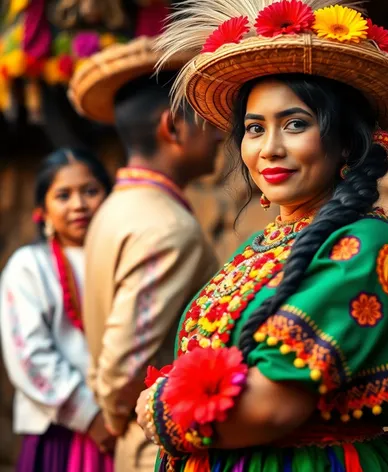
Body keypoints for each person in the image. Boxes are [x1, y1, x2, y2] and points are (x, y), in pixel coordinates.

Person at [135, 0, 388, 470]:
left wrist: (159, 411)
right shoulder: (260, 248)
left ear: (345, 140)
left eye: (295, 124)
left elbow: (272, 407)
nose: (270, 149)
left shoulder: (365, 248)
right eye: (254, 128)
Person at [68, 37, 221, 472]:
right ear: (172, 127)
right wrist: (119, 417)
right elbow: (121, 367)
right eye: (208, 120)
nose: (218, 134)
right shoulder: (167, 227)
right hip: (156, 448)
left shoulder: (115, 207)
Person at [0, 149, 114, 472]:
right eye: (63, 195)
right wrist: (89, 417)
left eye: (90, 191)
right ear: (43, 211)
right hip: (59, 434)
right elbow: (28, 355)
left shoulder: (122, 261)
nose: (79, 204)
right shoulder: (29, 267)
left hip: (121, 425)